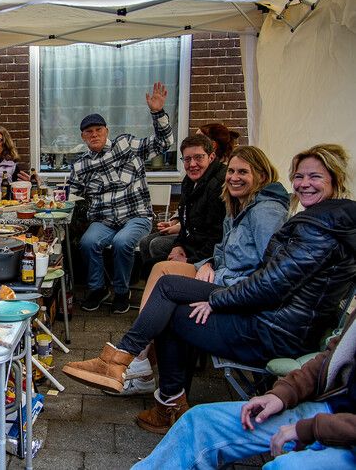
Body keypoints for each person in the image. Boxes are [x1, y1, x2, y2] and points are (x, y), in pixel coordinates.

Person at [62, 143, 356, 434]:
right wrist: (213, 268)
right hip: (277, 317)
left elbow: (269, 283)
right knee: (168, 293)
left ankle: (142, 382)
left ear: (334, 178)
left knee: (171, 307)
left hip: (275, 329)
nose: (304, 184)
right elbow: (267, 275)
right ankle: (135, 373)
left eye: (315, 177)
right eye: (300, 176)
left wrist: (218, 301)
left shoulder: (315, 226)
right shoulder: (324, 220)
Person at [110, 145, 289, 395]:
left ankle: (135, 360)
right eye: (232, 171)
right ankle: (139, 361)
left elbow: (269, 270)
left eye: (243, 172)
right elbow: (222, 247)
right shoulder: (239, 204)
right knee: (161, 268)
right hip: (220, 273)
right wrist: (210, 263)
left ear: (260, 174)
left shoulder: (266, 212)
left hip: (235, 290)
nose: (234, 177)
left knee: (166, 285)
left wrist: (218, 296)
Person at [133, 312, 356, 469]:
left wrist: (312, 428)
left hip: (342, 430)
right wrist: (282, 393)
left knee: (287, 466)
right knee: (200, 422)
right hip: (330, 407)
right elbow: (331, 358)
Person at [70, 82, 175, 313]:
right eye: (89, 132)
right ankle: (98, 288)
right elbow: (70, 194)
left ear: (107, 130)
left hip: (136, 216)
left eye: (98, 130)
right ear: (83, 136)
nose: (94, 134)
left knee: (121, 242)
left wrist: (157, 112)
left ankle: (121, 290)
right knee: (87, 243)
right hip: (104, 220)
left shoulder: (126, 145)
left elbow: (164, 143)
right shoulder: (80, 164)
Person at [137, 134, 227, 285]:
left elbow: (217, 237)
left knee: (155, 251)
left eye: (198, 157)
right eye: (187, 159)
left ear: (211, 157)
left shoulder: (218, 185)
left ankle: (170, 289)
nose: (192, 164)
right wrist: (178, 245)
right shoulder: (189, 181)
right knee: (146, 245)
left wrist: (188, 260)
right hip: (191, 242)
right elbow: (186, 221)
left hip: (206, 256)